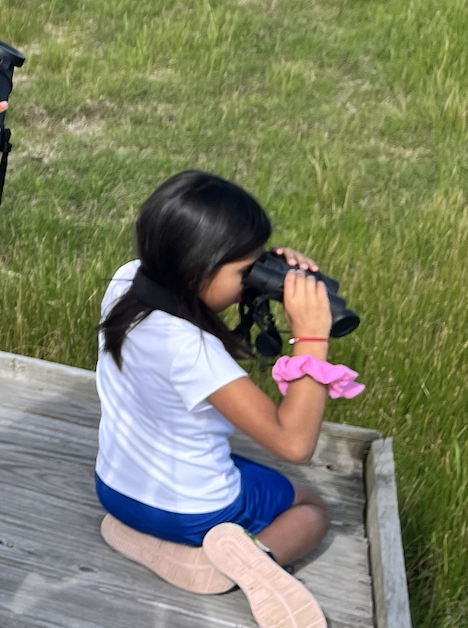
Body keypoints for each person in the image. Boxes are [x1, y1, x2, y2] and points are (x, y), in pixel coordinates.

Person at [95, 170, 363, 628]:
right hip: (194, 512)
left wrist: (262, 273)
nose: (250, 280)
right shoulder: (193, 351)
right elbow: (294, 444)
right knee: (313, 508)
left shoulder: (126, 283)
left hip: (115, 492)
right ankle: (238, 562)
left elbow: (201, 288)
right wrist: (313, 339)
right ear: (199, 269)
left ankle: (164, 546)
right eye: (246, 271)